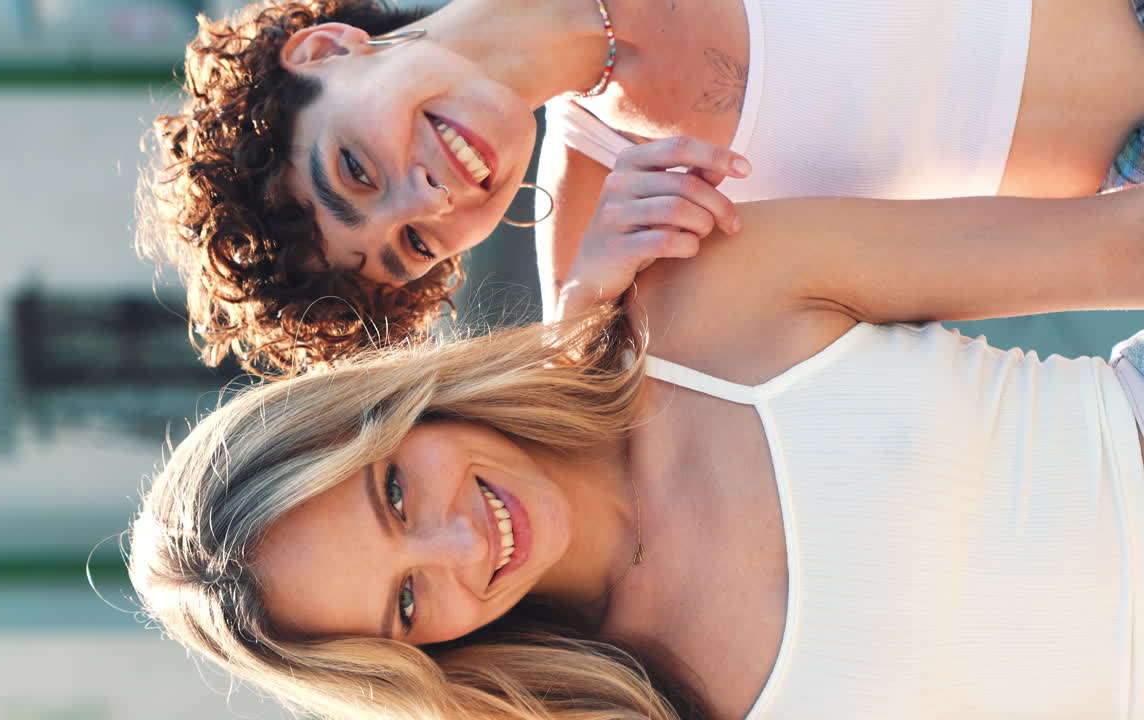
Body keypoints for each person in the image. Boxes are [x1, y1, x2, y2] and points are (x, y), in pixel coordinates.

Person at [127, 166, 1144, 719]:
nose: (460, 549)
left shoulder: (698, 307)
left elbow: (1116, 245)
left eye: (394, 494)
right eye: (404, 604)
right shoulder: (627, 706)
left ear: (394, 411)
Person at [138, 0, 1144, 374]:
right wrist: (589, 305)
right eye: (410, 246)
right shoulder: (614, 225)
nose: (424, 198)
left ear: (327, 46)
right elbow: (583, 402)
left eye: (355, 167)